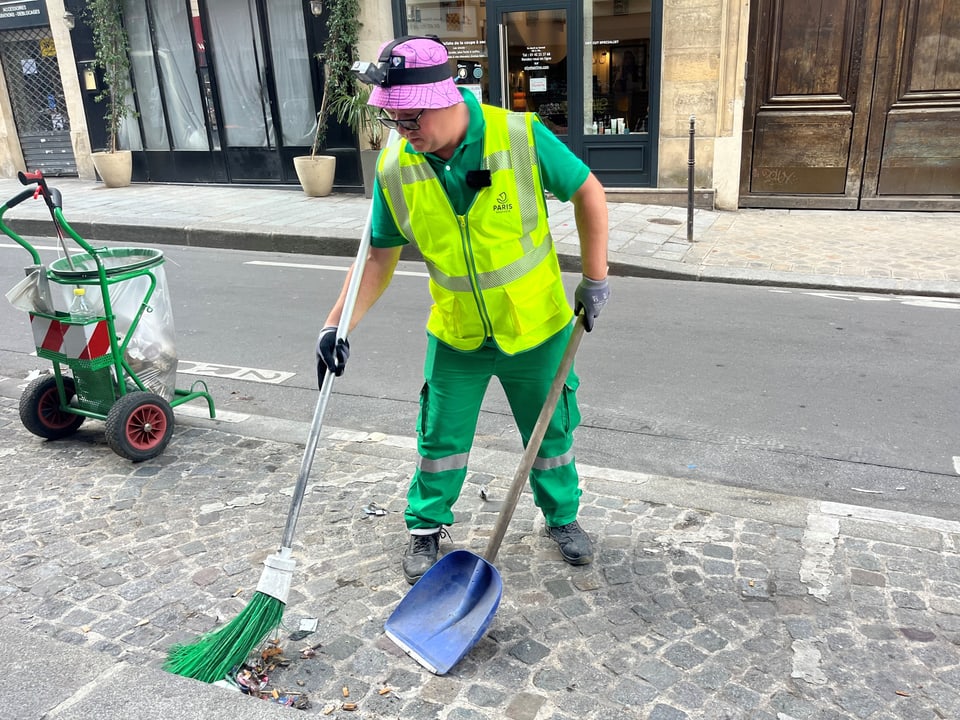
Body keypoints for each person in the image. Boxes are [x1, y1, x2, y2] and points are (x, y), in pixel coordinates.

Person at [316, 35, 610, 585]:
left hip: (537, 330)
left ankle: (562, 519)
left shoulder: (519, 136)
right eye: (394, 120)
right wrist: (337, 324)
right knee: (439, 439)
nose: (404, 131)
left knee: (550, 435)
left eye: (412, 118)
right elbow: (379, 258)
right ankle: (425, 528)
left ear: (447, 96)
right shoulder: (396, 166)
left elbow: (589, 193)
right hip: (457, 335)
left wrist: (596, 281)